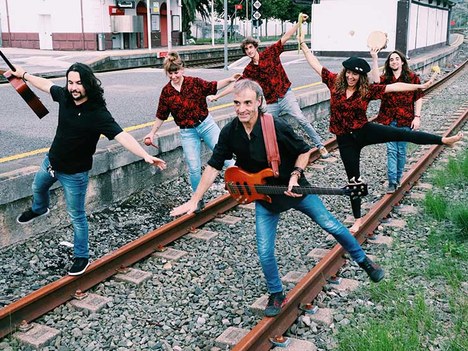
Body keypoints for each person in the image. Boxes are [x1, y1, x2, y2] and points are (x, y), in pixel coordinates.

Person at [171, 79, 385, 317]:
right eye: (237, 103)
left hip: (294, 189)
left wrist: (296, 175)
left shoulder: (276, 126)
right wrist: (195, 199)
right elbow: (213, 166)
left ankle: (364, 261)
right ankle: (277, 293)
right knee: (264, 251)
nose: (241, 108)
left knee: (330, 224)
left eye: (247, 103)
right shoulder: (230, 131)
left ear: (259, 102)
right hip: (266, 197)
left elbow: (304, 151)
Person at [10, 63, 167, 276]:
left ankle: (81, 257)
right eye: (71, 82)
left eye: (79, 83)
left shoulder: (98, 113)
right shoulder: (65, 96)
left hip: (74, 175)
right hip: (51, 163)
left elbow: (123, 136)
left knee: (77, 216)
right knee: (37, 187)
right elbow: (47, 85)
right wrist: (24, 75)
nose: (74, 87)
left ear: (88, 84)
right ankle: (39, 209)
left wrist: (145, 155)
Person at [298, 33, 463, 233]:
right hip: (345, 139)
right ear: (345, 72)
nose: (351, 77)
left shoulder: (367, 90)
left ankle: (443, 140)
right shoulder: (334, 82)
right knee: (353, 180)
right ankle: (357, 220)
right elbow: (316, 65)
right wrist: (304, 47)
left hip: (364, 130)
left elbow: (395, 87)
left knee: (402, 134)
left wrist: (420, 86)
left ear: (361, 76)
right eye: (349, 72)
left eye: (355, 74)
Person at [209, 14, 330, 159]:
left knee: (301, 118)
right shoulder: (249, 70)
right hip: (272, 102)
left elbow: (285, 37)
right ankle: (275, 157)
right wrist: (217, 96)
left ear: (255, 47)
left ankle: (320, 145)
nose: (249, 51)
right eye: (246, 49)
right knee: (268, 128)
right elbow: (237, 86)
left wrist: (299, 23)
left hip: (285, 95)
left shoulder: (270, 53)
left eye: (250, 47)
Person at [144, 51, 238, 211]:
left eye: (176, 72)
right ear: (167, 73)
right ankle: (197, 200)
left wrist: (230, 79)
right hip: (187, 132)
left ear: (182, 69)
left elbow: (213, 86)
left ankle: (244, 184)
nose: (174, 76)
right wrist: (152, 133)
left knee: (226, 158)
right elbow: (161, 114)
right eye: (170, 73)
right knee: (194, 167)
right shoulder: (166, 92)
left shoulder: (194, 83)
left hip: (206, 125)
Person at [370, 50, 423, 193]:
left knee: (401, 151)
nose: (394, 61)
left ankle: (398, 178)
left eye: (397, 59)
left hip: (406, 119)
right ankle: (392, 182)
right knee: (391, 150)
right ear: (389, 63)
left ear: (402, 61)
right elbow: (375, 81)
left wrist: (417, 117)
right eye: (391, 60)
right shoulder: (386, 78)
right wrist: (375, 58)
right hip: (388, 119)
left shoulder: (412, 78)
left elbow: (418, 97)